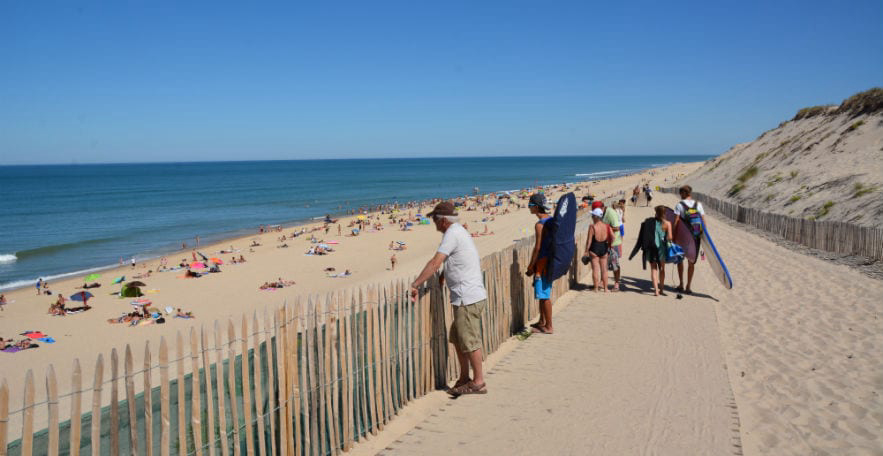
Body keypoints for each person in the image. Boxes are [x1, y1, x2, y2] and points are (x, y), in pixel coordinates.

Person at [410, 201, 488, 396]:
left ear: (443, 220)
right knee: (457, 338)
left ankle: (478, 382)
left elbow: (435, 262)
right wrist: (445, 275)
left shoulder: (452, 233)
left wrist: (415, 284)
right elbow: (456, 259)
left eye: (435, 219)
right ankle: (464, 377)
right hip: (466, 295)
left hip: (467, 297)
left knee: (469, 340)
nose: (434, 223)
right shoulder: (458, 232)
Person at [525, 193, 555, 334]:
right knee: (542, 294)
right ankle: (542, 321)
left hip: (542, 264)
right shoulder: (551, 219)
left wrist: (531, 265)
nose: (529, 207)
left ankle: (549, 326)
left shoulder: (539, 224)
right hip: (550, 262)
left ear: (537, 207)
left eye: (530, 205)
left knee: (544, 296)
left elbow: (537, 247)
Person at [673, 185, 706, 294]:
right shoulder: (698, 205)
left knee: (680, 260)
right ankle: (688, 286)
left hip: (683, 237)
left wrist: (673, 236)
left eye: (680, 193)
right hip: (695, 237)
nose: (680, 195)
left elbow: (676, 221)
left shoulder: (679, 205)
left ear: (683, 193)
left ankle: (681, 284)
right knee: (691, 262)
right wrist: (703, 236)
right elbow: (703, 221)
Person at [584, 208, 613, 292]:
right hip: (604, 247)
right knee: (604, 270)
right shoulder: (606, 226)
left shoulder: (592, 227)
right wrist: (609, 244)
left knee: (595, 270)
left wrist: (586, 251)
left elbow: (589, 241)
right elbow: (613, 237)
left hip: (594, 248)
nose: (592, 217)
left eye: (593, 216)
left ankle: (596, 288)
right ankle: (606, 288)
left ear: (596, 217)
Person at [600, 200, 623, 291]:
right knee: (603, 263)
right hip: (605, 242)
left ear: (602, 208)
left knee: (615, 264)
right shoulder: (601, 214)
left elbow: (617, 228)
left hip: (614, 243)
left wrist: (604, 228)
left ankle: (616, 284)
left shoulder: (611, 213)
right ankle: (602, 282)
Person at [650, 206, 673, 296]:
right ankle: (661, 289)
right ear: (664, 213)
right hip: (661, 248)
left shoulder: (651, 223)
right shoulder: (667, 223)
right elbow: (670, 237)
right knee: (662, 269)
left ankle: (656, 290)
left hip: (652, 247)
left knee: (653, 269)